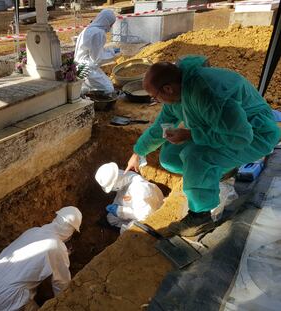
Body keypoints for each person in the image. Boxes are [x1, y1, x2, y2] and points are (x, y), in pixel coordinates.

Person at [125, 55, 280, 237]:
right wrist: (138, 152)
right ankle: (222, 170)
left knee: (196, 155)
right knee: (170, 156)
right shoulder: (179, 91)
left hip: (256, 135)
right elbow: (161, 125)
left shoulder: (208, 93)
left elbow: (240, 137)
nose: (156, 101)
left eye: (155, 97)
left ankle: (200, 216)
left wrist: (190, 134)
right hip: (224, 130)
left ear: (167, 89)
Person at [0, 206, 82, 311]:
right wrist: (64, 303)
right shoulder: (57, 246)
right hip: (5, 301)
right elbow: (62, 284)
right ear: (71, 231)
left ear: (56, 218)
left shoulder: (33, 231)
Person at [95, 162, 164, 229]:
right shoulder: (123, 181)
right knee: (111, 218)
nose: (112, 189)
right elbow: (122, 197)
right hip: (134, 207)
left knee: (126, 230)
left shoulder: (140, 189)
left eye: (111, 187)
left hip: (150, 213)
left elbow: (146, 215)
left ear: (115, 182)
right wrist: (115, 207)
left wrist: (120, 211)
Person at [74, 9, 117, 95]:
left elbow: (93, 51)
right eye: (111, 24)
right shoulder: (98, 33)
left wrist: (109, 51)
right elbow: (96, 59)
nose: (111, 26)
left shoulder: (89, 29)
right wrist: (113, 53)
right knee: (109, 89)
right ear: (107, 21)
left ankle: (83, 90)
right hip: (87, 68)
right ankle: (85, 96)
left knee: (87, 87)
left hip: (80, 67)